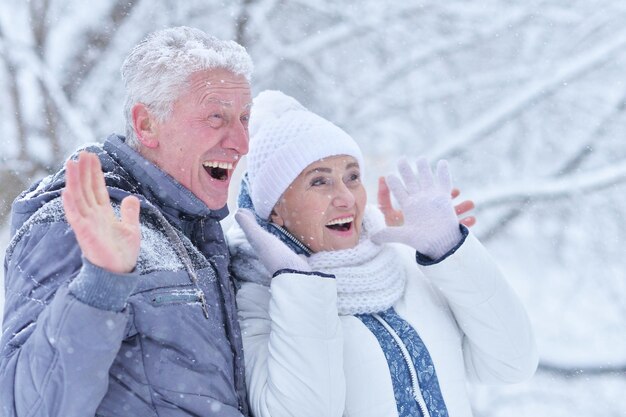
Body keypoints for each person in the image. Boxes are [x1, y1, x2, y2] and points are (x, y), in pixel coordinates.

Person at [228, 90, 538, 417]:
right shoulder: (258, 298)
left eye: (352, 177)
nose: (346, 197)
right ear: (275, 209)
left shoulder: (401, 267)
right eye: (320, 182)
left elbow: (511, 364)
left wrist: (450, 251)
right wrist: (299, 285)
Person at [1, 27, 253, 417]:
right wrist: (102, 283)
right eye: (216, 117)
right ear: (146, 125)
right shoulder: (77, 221)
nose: (241, 141)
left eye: (244, 118)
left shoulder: (199, 233)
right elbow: (25, 406)